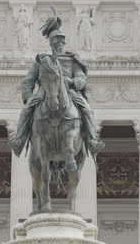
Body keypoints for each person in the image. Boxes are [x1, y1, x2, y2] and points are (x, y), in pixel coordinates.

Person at [8, 27, 104, 171]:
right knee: (27, 110)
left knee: (87, 109)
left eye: (61, 40)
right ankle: (19, 140)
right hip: (45, 91)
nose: (59, 43)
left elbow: (81, 78)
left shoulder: (72, 59)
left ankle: (92, 140)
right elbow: (28, 81)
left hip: (70, 92)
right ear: (50, 42)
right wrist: (28, 98)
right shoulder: (42, 60)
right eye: (56, 40)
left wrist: (72, 82)